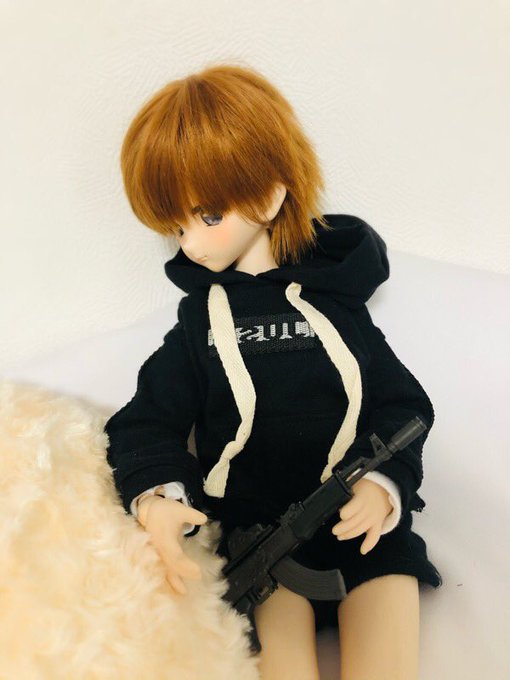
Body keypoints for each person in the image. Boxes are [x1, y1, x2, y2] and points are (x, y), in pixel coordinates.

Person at [104, 63, 442, 680]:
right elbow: (145, 422)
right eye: (177, 225)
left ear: (267, 195)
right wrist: (159, 498)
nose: (190, 243)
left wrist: (384, 485)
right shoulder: (201, 324)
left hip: (363, 530)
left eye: (207, 216)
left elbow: (403, 407)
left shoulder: (337, 303)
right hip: (259, 540)